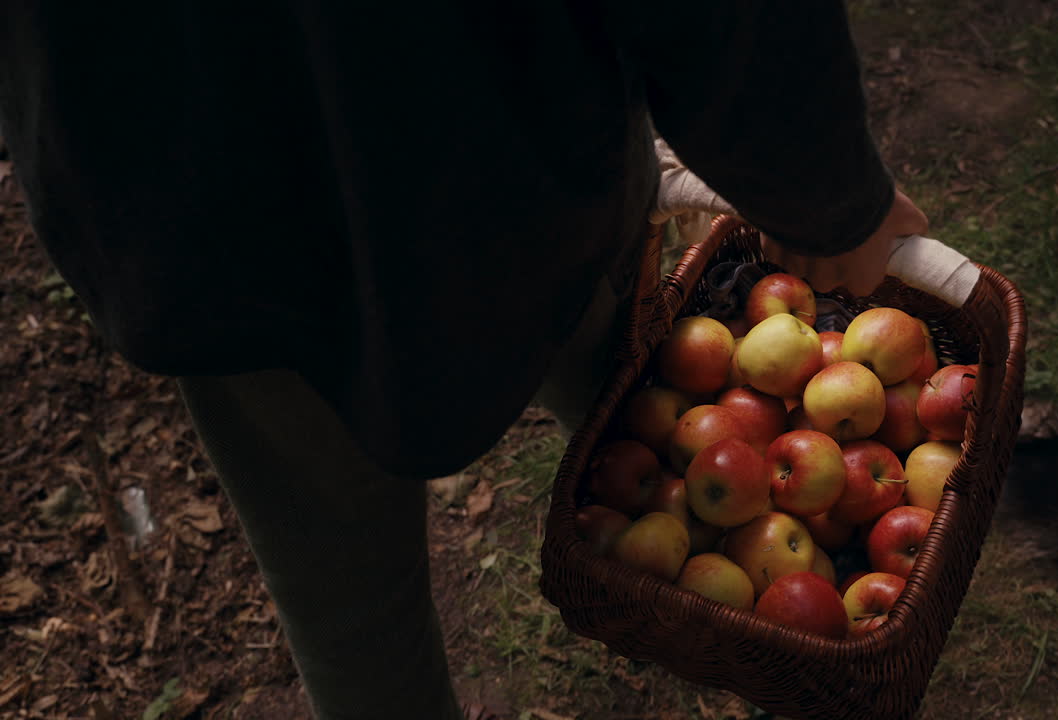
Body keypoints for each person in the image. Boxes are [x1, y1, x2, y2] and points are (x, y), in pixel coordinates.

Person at [0, 3, 927, 718]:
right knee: (635, 391)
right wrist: (830, 198)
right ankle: (672, 536)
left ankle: (674, 542)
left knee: (347, 594)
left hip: (215, 214)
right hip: (505, 161)